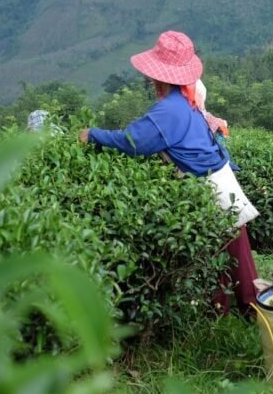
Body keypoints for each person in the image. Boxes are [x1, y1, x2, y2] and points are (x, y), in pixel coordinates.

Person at [78, 30, 259, 316]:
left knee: (228, 254)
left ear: (160, 77)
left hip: (212, 187)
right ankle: (231, 312)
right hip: (220, 180)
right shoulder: (184, 102)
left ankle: (246, 312)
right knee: (230, 252)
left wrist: (94, 135)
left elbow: (132, 141)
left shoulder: (170, 110)